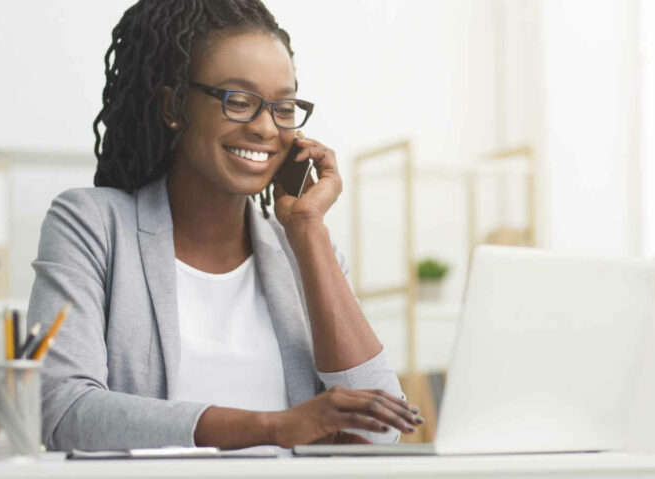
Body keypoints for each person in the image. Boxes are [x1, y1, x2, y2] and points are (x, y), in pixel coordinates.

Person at [26, 0, 421, 451]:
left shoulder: (301, 252)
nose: (266, 128)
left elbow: (382, 430)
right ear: (174, 105)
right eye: (239, 101)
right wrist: (273, 427)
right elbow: (62, 411)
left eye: (284, 107)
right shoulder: (92, 226)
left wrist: (308, 229)